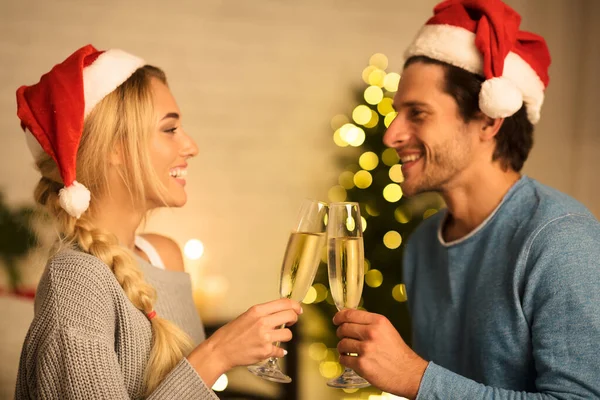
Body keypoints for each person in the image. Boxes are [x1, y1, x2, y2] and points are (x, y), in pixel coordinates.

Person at [332, 0, 600, 398]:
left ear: (489, 120)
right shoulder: (424, 243)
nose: (391, 135)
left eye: (417, 113)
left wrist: (415, 378)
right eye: (396, 113)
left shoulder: (562, 241)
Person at [14, 44, 302, 399]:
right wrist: (217, 354)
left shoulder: (164, 255)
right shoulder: (75, 282)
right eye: (170, 129)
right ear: (113, 149)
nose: (191, 146)